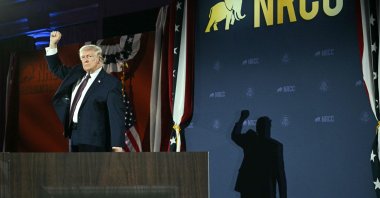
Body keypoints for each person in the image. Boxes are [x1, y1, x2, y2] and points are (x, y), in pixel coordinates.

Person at [45, 31, 126, 152]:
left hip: (95, 140)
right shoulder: (77, 72)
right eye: (82, 57)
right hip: (74, 135)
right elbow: (56, 68)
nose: (85, 60)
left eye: (89, 56)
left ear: (99, 59)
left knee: (93, 171)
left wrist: (117, 145)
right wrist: (52, 44)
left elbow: (116, 116)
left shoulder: (110, 83)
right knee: (77, 170)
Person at [231, 110, 287, 198]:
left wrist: (242, 119)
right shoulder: (274, 146)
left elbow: (235, 135)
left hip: (251, 188)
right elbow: (280, 175)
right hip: (264, 190)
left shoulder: (250, 140)